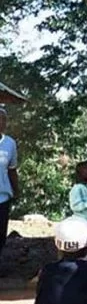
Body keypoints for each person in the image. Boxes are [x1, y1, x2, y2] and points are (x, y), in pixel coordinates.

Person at [0, 107, 19, 263]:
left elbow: (12, 169)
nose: (0, 122)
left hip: (3, 196)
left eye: (3, 119)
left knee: (1, 235)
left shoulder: (10, 143)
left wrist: (16, 190)